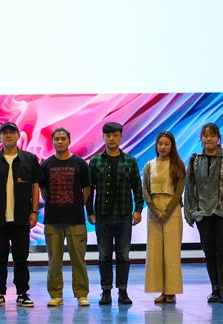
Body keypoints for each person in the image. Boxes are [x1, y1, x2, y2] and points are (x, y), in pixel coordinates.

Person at [0, 122, 42, 308]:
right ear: (0, 137)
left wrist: (34, 211)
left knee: (21, 259)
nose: (8, 136)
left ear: (18, 135)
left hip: (22, 218)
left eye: (11, 133)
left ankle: (22, 293)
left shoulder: (29, 159)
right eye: (4, 133)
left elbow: (35, 186)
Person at [184, 123, 223, 304]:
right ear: (201, 138)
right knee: (209, 251)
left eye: (212, 135)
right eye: (205, 135)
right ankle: (215, 289)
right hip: (203, 213)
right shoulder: (195, 159)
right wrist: (190, 212)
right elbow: (189, 188)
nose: (208, 139)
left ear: (218, 137)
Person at [87, 122, 144, 305]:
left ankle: (123, 291)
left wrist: (138, 209)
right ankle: (106, 291)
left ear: (121, 137)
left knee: (123, 256)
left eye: (115, 135)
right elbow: (89, 189)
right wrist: (90, 211)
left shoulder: (130, 161)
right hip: (102, 217)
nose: (111, 138)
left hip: (124, 216)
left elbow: (137, 187)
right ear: (103, 137)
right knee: (104, 256)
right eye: (108, 135)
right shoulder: (95, 161)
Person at [40, 128, 91, 307]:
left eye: (63, 139)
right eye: (56, 139)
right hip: (52, 220)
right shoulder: (46, 165)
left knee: (78, 260)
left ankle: (81, 294)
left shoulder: (80, 163)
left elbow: (87, 188)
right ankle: (56, 295)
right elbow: (43, 190)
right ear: (52, 142)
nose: (60, 142)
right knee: (54, 261)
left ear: (69, 141)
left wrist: (77, 205)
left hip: (76, 220)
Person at [143, 131, 185, 303]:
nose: (163, 147)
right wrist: (154, 210)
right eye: (160, 143)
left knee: (171, 252)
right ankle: (161, 290)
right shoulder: (149, 165)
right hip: (154, 210)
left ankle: (171, 291)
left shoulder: (178, 165)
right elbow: (145, 189)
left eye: (166, 144)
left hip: (172, 209)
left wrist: (166, 212)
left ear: (172, 146)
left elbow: (179, 191)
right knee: (156, 252)